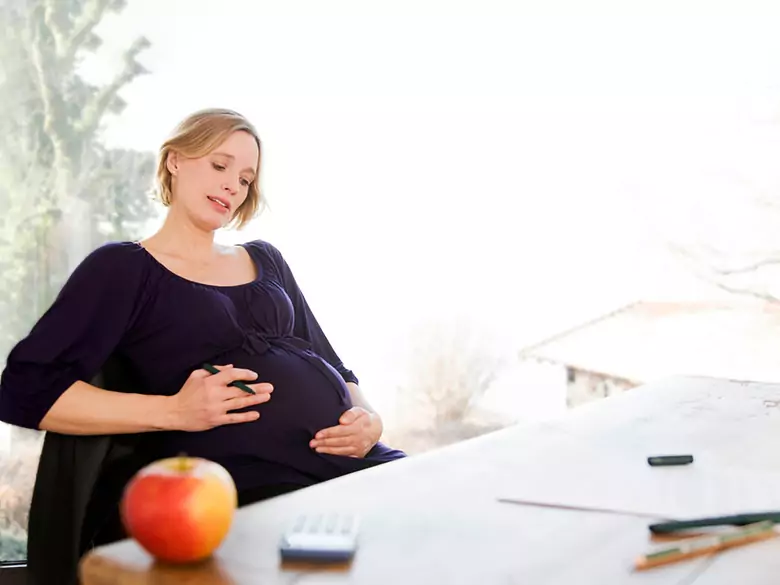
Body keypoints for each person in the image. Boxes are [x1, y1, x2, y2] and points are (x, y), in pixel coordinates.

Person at [0, 107, 406, 509]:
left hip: (353, 460)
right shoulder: (123, 269)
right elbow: (26, 390)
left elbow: (332, 364)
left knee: (449, 503)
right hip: (247, 483)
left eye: (245, 179)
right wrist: (173, 410)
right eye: (219, 166)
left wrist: (370, 421)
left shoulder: (267, 260)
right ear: (174, 159)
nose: (233, 186)